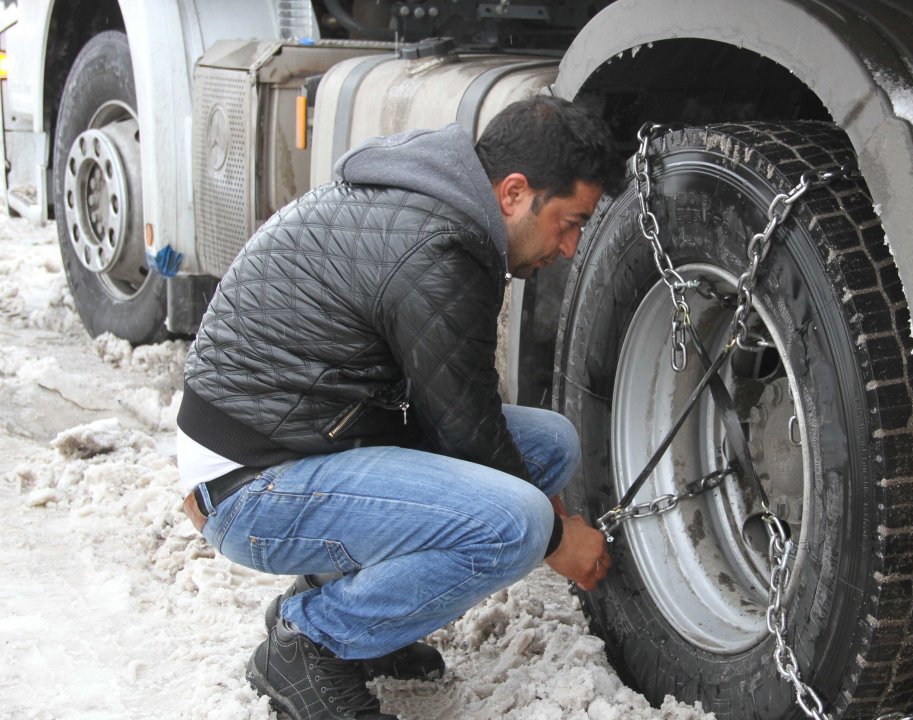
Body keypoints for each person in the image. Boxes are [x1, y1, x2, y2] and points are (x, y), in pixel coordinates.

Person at [176, 96, 623, 720]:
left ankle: (350, 610)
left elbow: (464, 413)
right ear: (515, 193)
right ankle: (313, 642)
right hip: (248, 482)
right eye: (569, 222)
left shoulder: (436, 209)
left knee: (550, 444)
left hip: (302, 440)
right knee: (515, 524)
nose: (570, 248)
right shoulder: (440, 249)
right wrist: (555, 538)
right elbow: (468, 436)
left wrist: (550, 514)